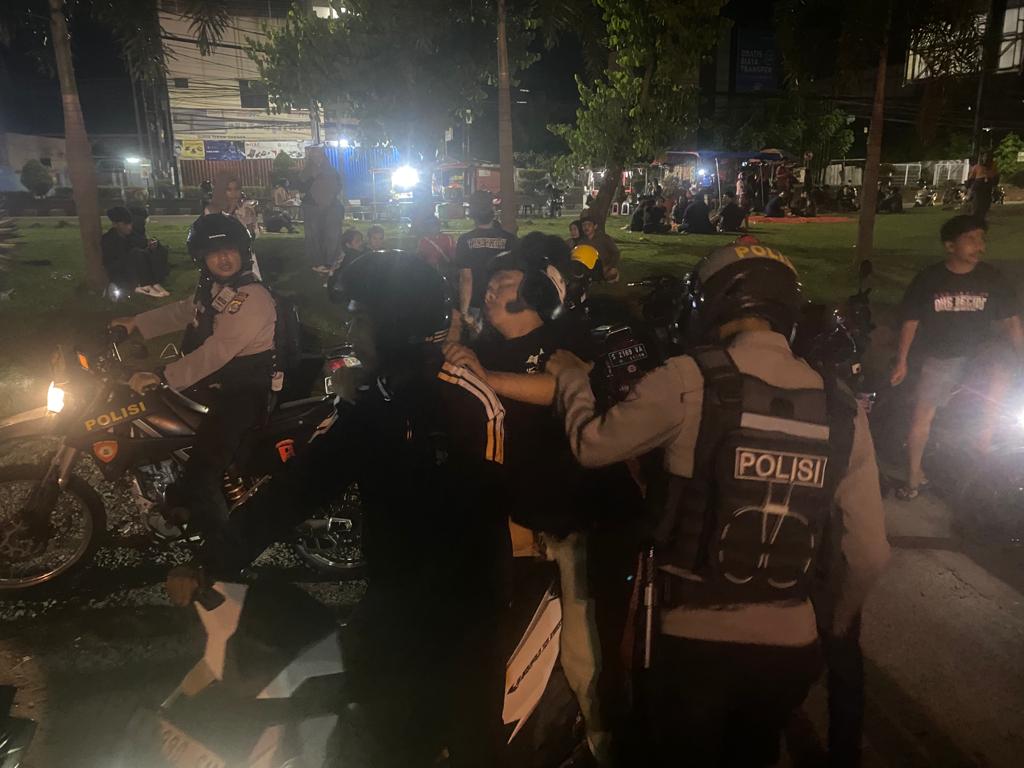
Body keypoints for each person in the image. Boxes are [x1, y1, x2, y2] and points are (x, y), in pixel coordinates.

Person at [547, 243, 891, 766]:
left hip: (691, 641)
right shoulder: (841, 407)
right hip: (790, 646)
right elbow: (870, 553)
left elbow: (592, 446)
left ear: (711, 303)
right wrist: (837, 625)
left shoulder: (688, 377)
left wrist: (572, 378)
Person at [177, 251, 512, 767]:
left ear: (394, 323)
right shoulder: (374, 399)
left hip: (462, 610)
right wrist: (215, 558)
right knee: (370, 733)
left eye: (360, 319)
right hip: (394, 595)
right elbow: (303, 484)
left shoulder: (464, 400)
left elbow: (485, 514)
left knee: (470, 740)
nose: (350, 332)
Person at [443, 239, 639, 766]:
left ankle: (604, 742)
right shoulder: (486, 348)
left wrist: (484, 378)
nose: (491, 292)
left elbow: (557, 389)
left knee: (583, 653)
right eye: (489, 285)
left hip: (574, 523)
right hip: (515, 521)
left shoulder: (564, 339)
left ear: (536, 292)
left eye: (503, 283)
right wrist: (456, 343)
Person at [111, 214, 277, 573]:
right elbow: (186, 311)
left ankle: (222, 558)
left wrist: (163, 376)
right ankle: (171, 499)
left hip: (243, 391)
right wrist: (137, 323)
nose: (223, 258)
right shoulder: (216, 288)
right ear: (202, 258)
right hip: (215, 382)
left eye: (229, 250)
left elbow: (218, 351)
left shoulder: (252, 297)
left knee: (203, 470)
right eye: (213, 252)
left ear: (242, 252)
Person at [889, 215, 1023, 499]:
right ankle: (913, 476)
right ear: (950, 246)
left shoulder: (992, 278)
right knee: (924, 412)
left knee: (1002, 371)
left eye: (982, 239)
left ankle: (983, 444)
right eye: (971, 239)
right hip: (943, 354)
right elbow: (910, 321)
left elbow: (1012, 321)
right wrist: (902, 360)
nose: (980, 246)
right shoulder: (929, 279)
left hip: (979, 353)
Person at [454, 190, 516, 337]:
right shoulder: (510, 240)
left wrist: (464, 312)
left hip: (476, 304)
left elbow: (466, 279)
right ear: (492, 211)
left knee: (478, 345)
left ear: (472, 213)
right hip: (503, 303)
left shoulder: (465, 241)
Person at [101, 206, 169, 298]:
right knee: (137, 253)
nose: (129, 227)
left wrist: (152, 244)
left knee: (154, 251)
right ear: (115, 224)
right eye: (125, 224)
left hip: (135, 270)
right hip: (122, 273)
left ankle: (153, 283)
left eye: (130, 223)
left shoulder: (131, 235)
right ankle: (146, 286)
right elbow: (112, 264)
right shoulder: (108, 240)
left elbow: (143, 243)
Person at [300, 145, 345, 274]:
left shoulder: (331, 171)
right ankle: (317, 262)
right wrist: (313, 179)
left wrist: (329, 197)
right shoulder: (306, 172)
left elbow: (338, 186)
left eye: (319, 155)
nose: (317, 158)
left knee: (332, 234)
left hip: (331, 205)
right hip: (312, 206)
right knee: (314, 235)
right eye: (314, 155)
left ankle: (331, 260)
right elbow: (302, 187)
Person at [580, 212, 622, 282]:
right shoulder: (581, 242)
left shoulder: (604, 238)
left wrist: (609, 266)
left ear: (595, 226)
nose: (586, 227)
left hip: (606, 267)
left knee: (611, 275)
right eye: (584, 225)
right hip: (589, 268)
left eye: (589, 225)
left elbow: (616, 253)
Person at [967, 152, 1000, 221]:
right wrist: (969, 187)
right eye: (985, 157)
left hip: (988, 186)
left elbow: (996, 176)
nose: (986, 159)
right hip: (978, 185)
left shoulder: (993, 166)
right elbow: (971, 178)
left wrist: (995, 185)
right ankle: (975, 217)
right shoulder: (977, 167)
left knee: (986, 202)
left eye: (988, 158)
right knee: (977, 202)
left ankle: (982, 217)